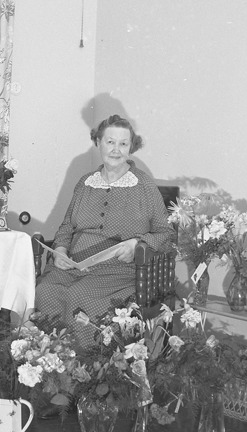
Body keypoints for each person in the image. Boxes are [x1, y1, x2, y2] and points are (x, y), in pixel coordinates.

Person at [34, 114, 174, 350]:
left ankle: (84, 366)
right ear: (98, 142)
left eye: (123, 143)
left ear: (131, 147)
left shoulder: (144, 185)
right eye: (110, 142)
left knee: (81, 296)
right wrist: (60, 250)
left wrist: (137, 244)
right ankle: (49, 361)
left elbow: (165, 232)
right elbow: (67, 226)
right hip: (74, 266)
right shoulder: (85, 183)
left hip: (117, 272)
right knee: (44, 290)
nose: (116, 150)